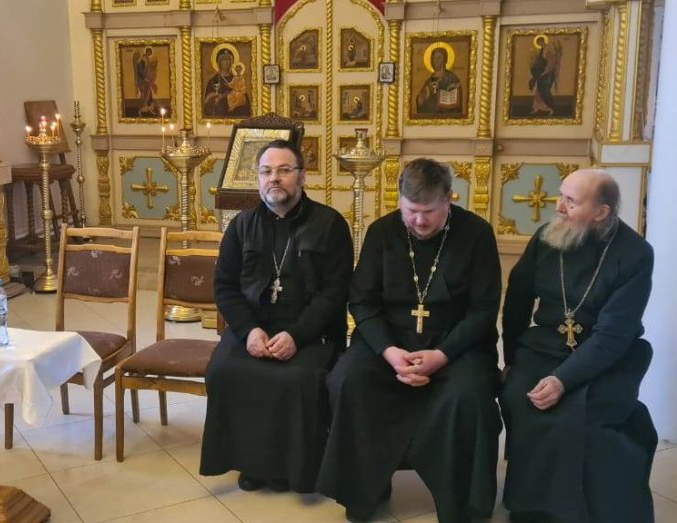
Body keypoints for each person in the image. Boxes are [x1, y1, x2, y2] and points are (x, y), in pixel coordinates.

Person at [316, 158, 502, 522]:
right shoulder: (383, 232)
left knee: (468, 396)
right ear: (399, 200)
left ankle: (460, 505)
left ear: (449, 198)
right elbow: (362, 301)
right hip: (390, 342)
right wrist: (389, 352)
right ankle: (364, 492)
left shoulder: (477, 234)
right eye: (410, 210)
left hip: (455, 345)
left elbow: (483, 310)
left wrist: (441, 355)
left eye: (428, 212)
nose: (418, 220)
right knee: (348, 379)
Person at [500, 169, 656, 522]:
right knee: (522, 399)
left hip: (610, 356)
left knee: (584, 418)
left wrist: (563, 380)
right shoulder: (546, 237)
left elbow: (614, 333)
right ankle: (531, 508)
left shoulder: (634, 254)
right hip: (544, 346)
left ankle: (581, 511)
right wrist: (511, 358)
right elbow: (518, 299)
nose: (558, 206)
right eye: (561, 196)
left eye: (571, 201)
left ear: (601, 212)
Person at [200, 140, 353, 493]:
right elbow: (224, 287)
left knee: (298, 379)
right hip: (255, 329)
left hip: (310, 332)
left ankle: (296, 470)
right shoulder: (241, 225)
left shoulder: (329, 224)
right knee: (224, 370)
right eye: (266, 171)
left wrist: (297, 336)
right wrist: (249, 331)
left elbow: (335, 292)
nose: (274, 178)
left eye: (284, 170)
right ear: (257, 179)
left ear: (302, 176)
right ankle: (251, 464)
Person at [415, 47, 462, 116]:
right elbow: (421, 102)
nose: (436, 60)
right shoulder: (429, 80)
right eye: (434, 58)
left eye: (439, 58)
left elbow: (456, 100)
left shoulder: (451, 78)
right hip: (430, 116)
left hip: (446, 116)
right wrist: (420, 99)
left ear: (444, 60)